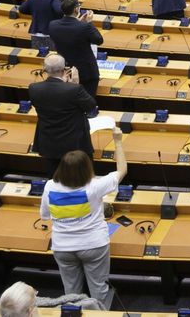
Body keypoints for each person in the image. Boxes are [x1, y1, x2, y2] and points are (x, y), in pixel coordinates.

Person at [40, 129, 126, 309]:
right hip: (94, 245)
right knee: (98, 290)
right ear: (87, 168)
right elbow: (122, 170)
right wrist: (117, 141)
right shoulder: (95, 186)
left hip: (63, 247)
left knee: (70, 293)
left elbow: (45, 215)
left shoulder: (49, 187)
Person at [29, 54, 97, 174]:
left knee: (55, 178)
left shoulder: (34, 88)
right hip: (74, 144)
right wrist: (73, 85)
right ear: (64, 69)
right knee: (79, 179)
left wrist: (66, 85)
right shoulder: (74, 89)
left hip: (49, 142)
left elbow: (54, 96)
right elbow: (90, 106)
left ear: (44, 68)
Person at [48, 0, 103, 97]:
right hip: (86, 72)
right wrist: (89, 23)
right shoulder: (85, 27)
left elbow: (69, 32)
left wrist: (78, 22)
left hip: (65, 71)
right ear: (76, 9)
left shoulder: (52, 25)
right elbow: (99, 40)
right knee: (87, 101)